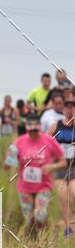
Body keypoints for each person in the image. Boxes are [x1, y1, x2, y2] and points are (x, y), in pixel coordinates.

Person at [6, 115, 66, 237]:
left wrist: (51, 167)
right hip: (25, 187)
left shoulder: (49, 140)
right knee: (30, 220)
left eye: (35, 130)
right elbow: (7, 166)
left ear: (39, 128)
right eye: (30, 130)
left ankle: (44, 234)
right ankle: (33, 240)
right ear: (27, 129)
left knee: (40, 215)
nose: (33, 133)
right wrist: (10, 158)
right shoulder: (19, 141)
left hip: (43, 186)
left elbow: (63, 162)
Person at [50, 98, 75, 236]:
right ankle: (67, 227)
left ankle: (72, 221)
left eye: (72, 107)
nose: (70, 109)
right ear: (64, 109)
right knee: (62, 196)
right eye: (68, 107)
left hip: (73, 167)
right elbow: (46, 142)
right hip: (59, 166)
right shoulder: (56, 125)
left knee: (74, 194)